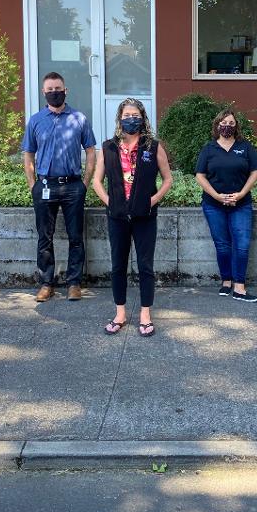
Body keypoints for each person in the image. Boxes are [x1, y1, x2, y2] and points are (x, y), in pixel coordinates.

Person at [92, 98, 172, 337]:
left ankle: (145, 314)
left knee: (145, 266)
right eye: (126, 116)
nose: (131, 119)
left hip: (145, 216)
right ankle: (120, 313)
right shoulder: (108, 148)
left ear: (143, 118)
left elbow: (167, 179)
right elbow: (97, 181)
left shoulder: (153, 147)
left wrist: (152, 201)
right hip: (117, 217)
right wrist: (111, 202)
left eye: (135, 115)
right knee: (118, 265)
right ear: (120, 118)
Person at [22, 72, 96, 303]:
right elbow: (28, 154)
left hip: (73, 186)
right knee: (45, 237)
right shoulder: (35, 120)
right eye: (50, 89)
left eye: (58, 89)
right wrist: (33, 185)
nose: (55, 92)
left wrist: (85, 183)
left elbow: (91, 151)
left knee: (76, 237)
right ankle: (47, 284)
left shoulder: (79, 119)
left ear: (66, 91)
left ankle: (74, 283)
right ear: (44, 93)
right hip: (45, 186)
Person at [195, 109, 257, 302]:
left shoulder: (245, 147)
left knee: (242, 244)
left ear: (236, 126)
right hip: (213, 204)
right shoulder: (208, 149)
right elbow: (200, 175)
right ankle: (226, 281)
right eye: (223, 123)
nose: (227, 126)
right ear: (217, 125)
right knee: (222, 245)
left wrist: (241, 194)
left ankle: (239, 287)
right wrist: (217, 196)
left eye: (231, 123)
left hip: (241, 204)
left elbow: (255, 172)